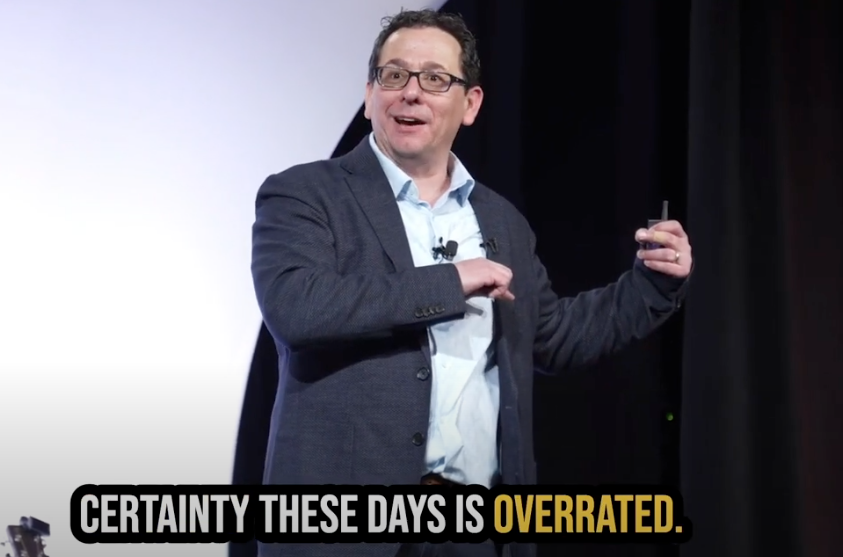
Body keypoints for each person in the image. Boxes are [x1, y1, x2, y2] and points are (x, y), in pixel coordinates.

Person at [250, 9, 692, 557]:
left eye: (435, 78)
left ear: (471, 104)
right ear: (369, 95)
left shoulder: (500, 221)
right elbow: (299, 307)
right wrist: (451, 282)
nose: (412, 92)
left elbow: (554, 337)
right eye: (394, 75)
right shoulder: (305, 194)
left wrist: (652, 284)